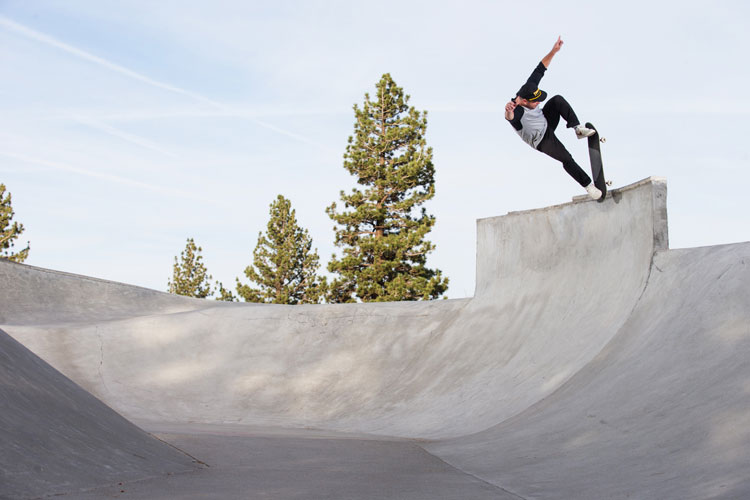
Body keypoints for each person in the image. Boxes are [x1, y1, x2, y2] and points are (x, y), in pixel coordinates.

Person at [505, 36, 601, 200]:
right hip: (542, 140)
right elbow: (510, 118)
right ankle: (588, 185)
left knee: (557, 100)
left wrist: (554, 51)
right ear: (525, 101)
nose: (538, 103)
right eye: (535, 102)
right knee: (566, 158)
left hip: (546, 121)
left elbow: (540, 68)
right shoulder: (518, 112)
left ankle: (577, 129)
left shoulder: (528, 88)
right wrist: (508, 111)